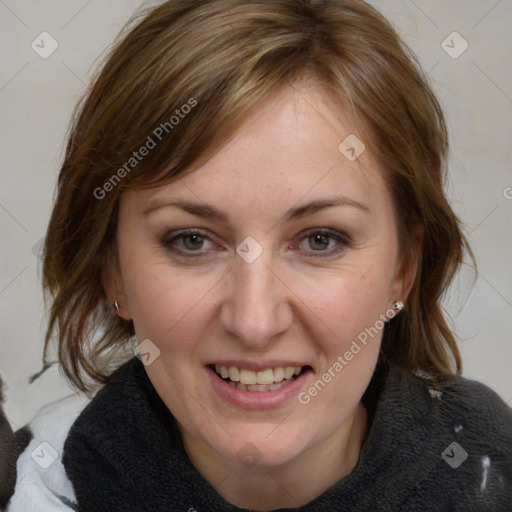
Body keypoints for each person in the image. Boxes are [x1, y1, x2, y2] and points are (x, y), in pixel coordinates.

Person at [5, 0, 511, 510]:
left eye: (320, 240)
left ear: (403, 269)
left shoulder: (490, 468)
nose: (254, 322)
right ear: (112, 271)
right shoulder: (31, 488)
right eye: (192, 240)